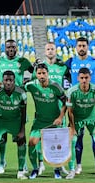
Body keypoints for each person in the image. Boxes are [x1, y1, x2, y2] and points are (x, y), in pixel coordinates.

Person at [65, 36, 95, 175]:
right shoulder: (70, 62)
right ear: (76, 47)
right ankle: (77, 165)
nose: (81, 48)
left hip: (91, 105)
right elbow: (60, 73)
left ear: (88, 47)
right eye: (79, 45)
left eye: (84, 46)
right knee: (77, 138)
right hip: (76, 105)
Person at [0, 39, 34, 174]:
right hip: (3, 99)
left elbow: (34, 72)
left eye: (13, 47)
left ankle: (24, 164)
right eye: (8, 47)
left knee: (21, 136)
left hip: (18, 99)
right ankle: (2, 162)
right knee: (2, 137)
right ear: (5, 48)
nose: (11, 49)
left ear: (17, 48)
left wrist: (26, 83)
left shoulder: (23, 61)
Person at [31, 42, 70, 176]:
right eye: (47, 49)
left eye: (52, 49)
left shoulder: (62, 67)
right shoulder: (40, 68)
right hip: (44, 105)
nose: (50, 51)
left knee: (58, 139)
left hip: (59, 107)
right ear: (45, 51)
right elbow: (31, 83)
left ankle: (60, 165)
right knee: (39, 137)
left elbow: (71, 81)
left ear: (56, 51)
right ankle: (41, 163)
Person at [24, 60, 67, 179]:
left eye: (44, 73)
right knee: (32, 142)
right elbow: (19, 88)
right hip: (40, 121)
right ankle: (35, 169)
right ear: (36, 74)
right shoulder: (31, 85)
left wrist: (60, 117)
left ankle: (56, 170)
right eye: (39, 73)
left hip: (54, 121)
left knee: (56, 147)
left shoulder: (55, 86)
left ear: (48, 73)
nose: (41, 76)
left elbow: (65, 102)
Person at [65, 67, 95, 180]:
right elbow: (70, 112)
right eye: (82, 78)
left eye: (86, 78)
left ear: (90, 78)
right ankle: (72, 170)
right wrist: (72, 128)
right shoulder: (72, 91)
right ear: (78, 78)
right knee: (72, 141)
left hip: (92, 119)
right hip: (77, 120)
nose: (84, 80)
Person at [0, 70, 28, 180]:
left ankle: (20, 171)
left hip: (16, 121)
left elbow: (24, 113)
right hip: (1, 121)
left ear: (14, 81)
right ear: (2, 81)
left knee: (22, 142)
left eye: (11, 80)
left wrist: (22, 130)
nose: (8, 83)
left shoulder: (21, 93)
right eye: (6, 80)